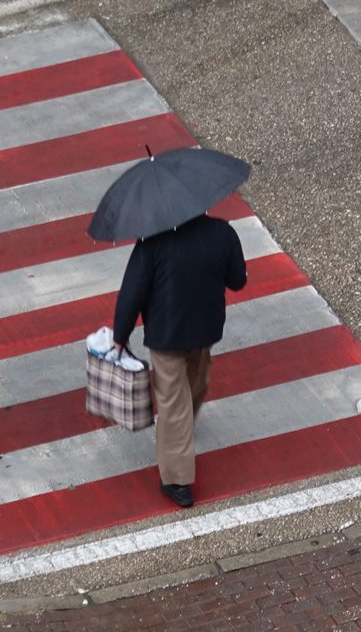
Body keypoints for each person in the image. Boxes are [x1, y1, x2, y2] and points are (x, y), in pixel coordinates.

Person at [112, 213, 246, 509]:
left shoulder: (152, 243)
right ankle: (184, 429)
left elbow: (131, 294)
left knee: (173, 404)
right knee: (196, 382)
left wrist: (120, 336)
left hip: (166, 335)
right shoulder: (222, 233)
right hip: (206, 330)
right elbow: (238, 280)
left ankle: (178, 479)